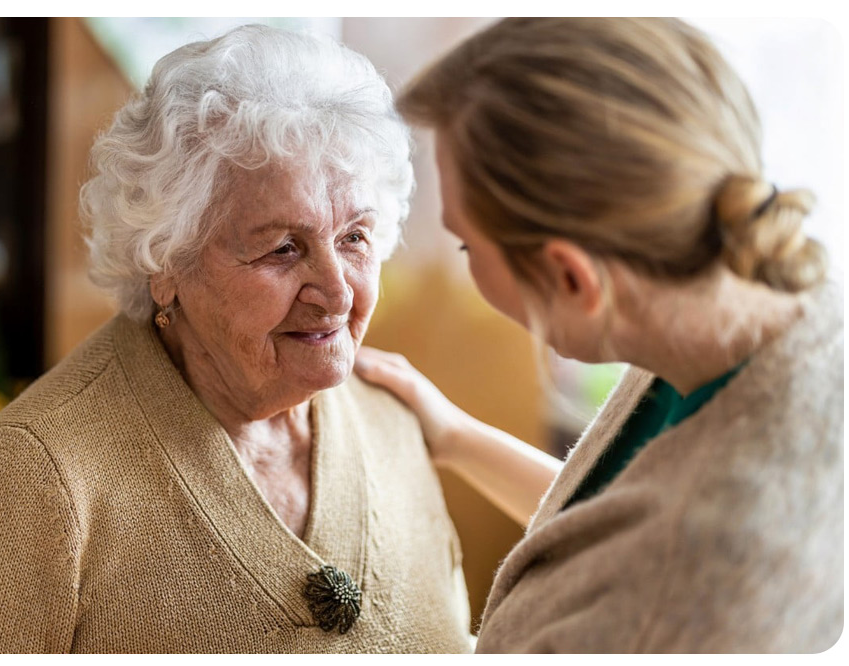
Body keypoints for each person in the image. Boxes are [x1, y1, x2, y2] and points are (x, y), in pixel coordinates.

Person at [0, 25, 473, 654]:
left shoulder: (394, 419)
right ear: (166, 264)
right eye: (283, 248)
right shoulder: (37, 478)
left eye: (354, 238)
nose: (337, 294)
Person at [355, 17, 843, 653]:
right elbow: (610, 529)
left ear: (571, 276)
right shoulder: (738, 302)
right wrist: (456, 437)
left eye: (467, 243)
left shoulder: (696, 580)